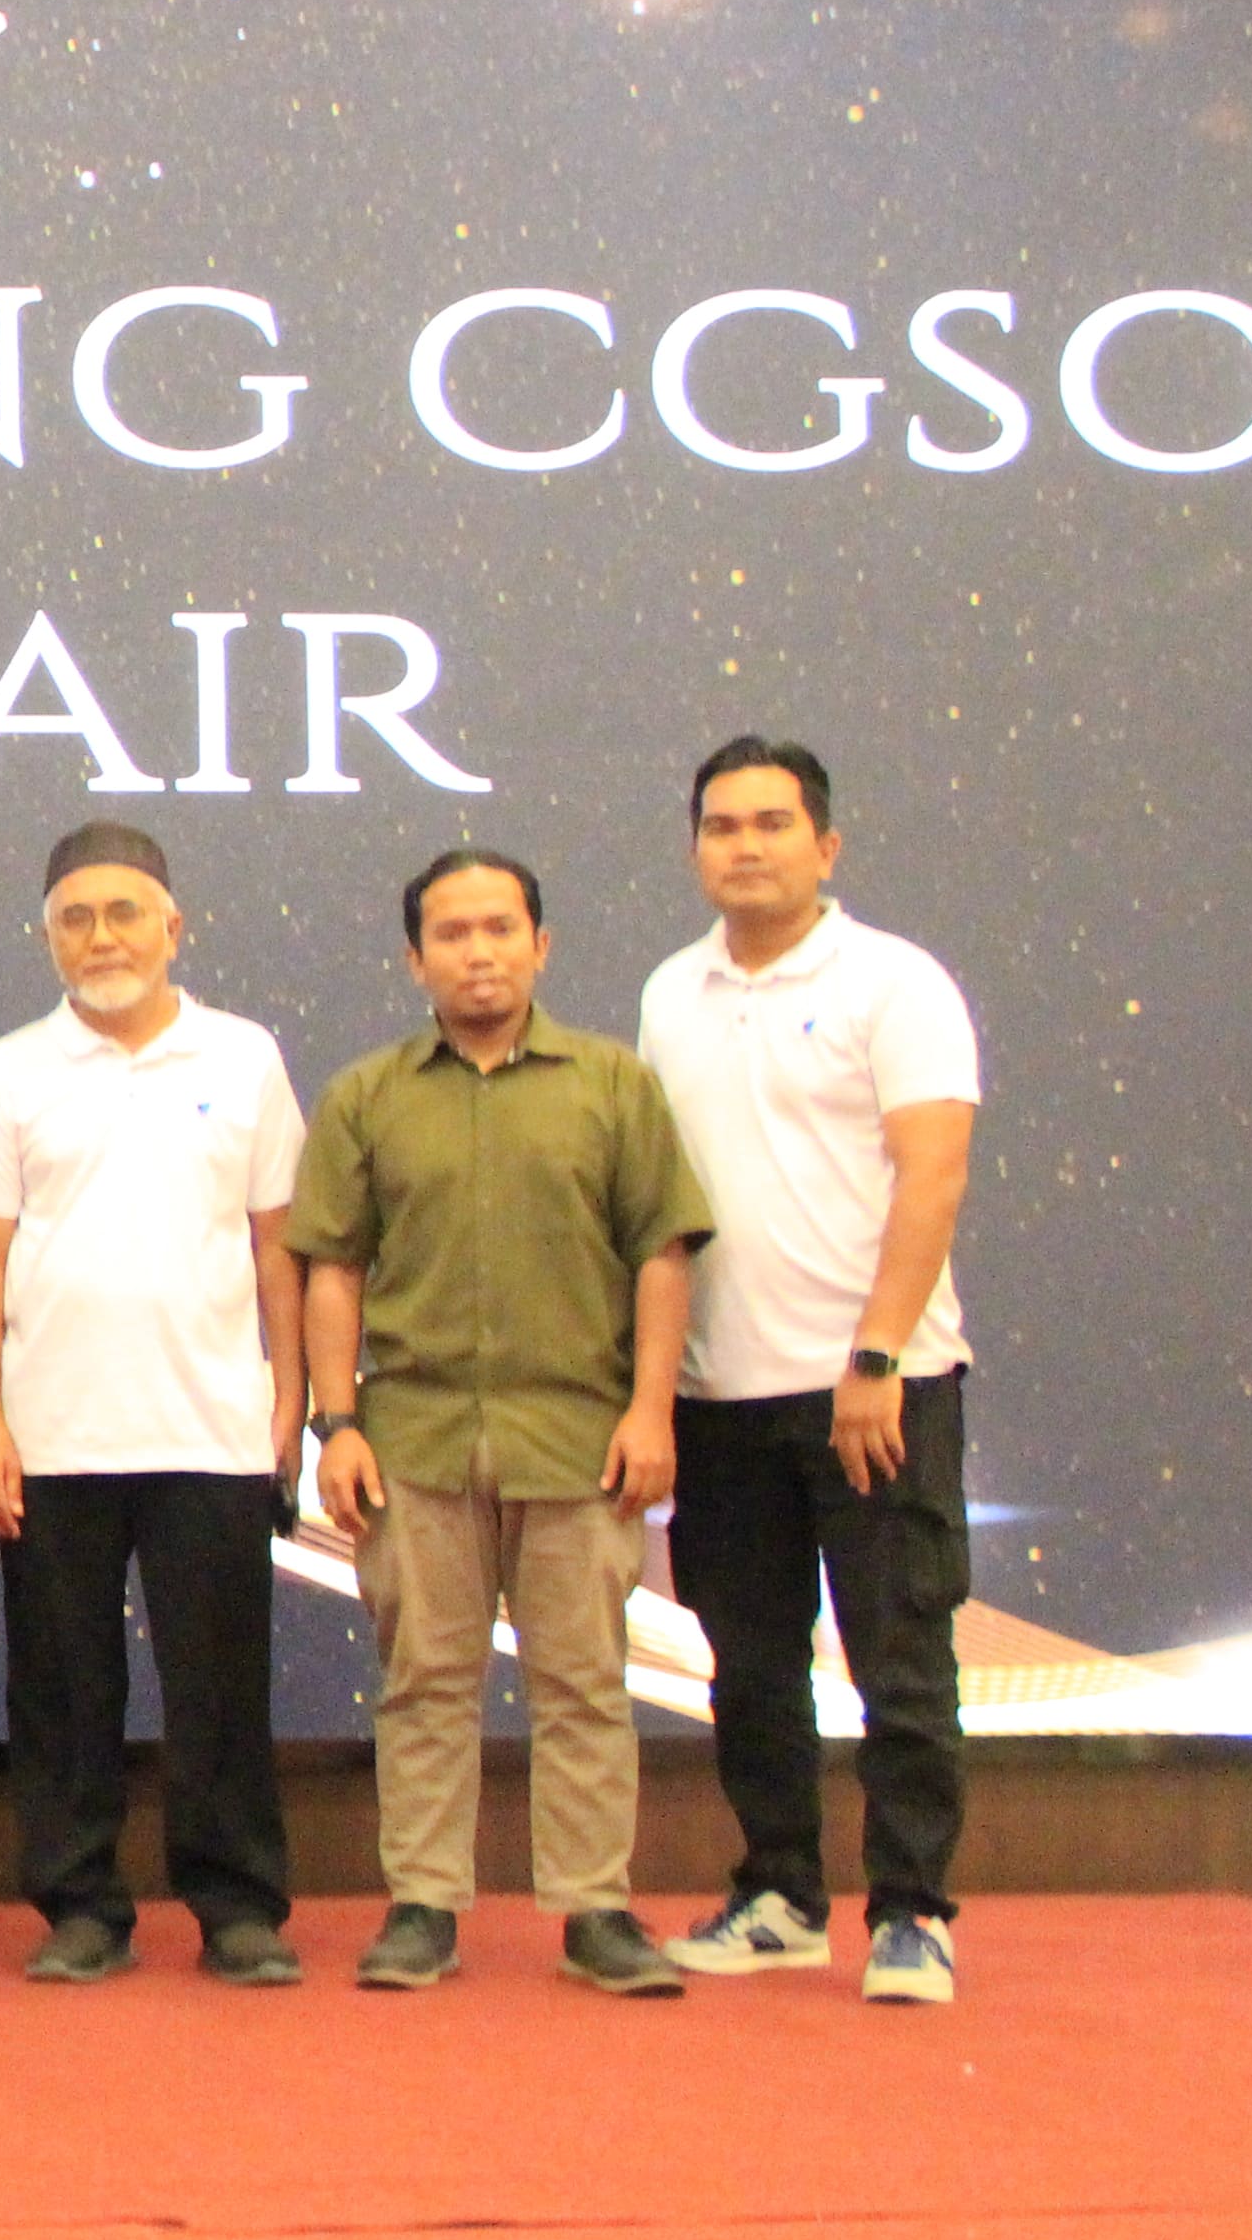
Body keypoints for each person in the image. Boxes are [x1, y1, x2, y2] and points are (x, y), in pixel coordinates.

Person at [291, 848, 713, 1999]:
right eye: (452, 932)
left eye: (499, 928)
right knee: (425, 1680)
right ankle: (423, 1904)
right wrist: (337, 1420)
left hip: (580, 1438)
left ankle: (596, 1908)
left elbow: (661, 1254)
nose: (477, 952)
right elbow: (333, 1267)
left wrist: (652, 1411)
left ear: (541, 944)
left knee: (584, 1681)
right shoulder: (369, 1094)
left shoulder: (613, 1084)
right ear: (414, 957)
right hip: (415, 1437)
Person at [638, 738, 982, 2005]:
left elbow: (932, 1172)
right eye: (722, 825)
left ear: (825, 845)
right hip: (721, 1395)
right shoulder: (670, 992)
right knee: (750, 1665)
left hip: (878, 1386)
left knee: (900, 1659)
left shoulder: (897, 981)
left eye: (772, 823)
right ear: (696, 848)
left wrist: (876, 1352)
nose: (746, 845)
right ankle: (780, 1892)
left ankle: (912, 1911)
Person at [0, 824, 309, 1990]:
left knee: (220, 1684)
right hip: (53, 1431)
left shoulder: (243, 1057)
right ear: (49, 935)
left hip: (214, 1426)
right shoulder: (13, 1068)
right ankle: (81, 1906)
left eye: (123, 912)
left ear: (172, 925)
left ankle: (238, 1905)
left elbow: (279, 1243)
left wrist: (293, 1399)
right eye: (76, 917)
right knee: (63, 1688)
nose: (101, 936)